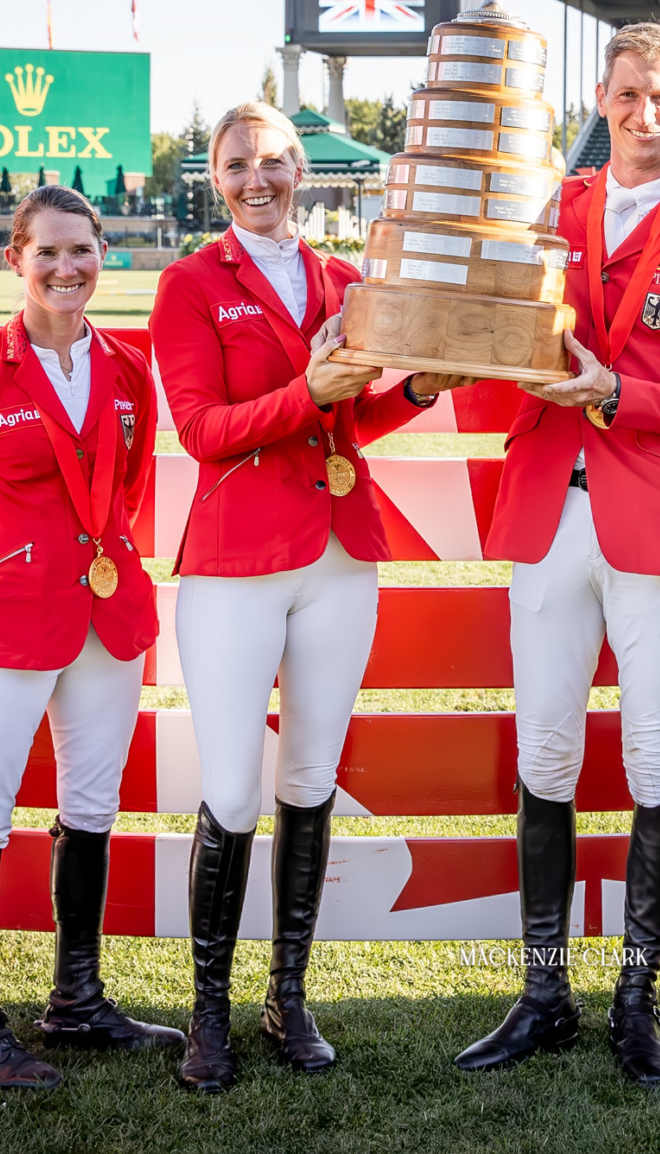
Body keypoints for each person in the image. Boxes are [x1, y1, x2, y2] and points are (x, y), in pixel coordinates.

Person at [457, 23, 660, 1087]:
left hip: (655, 521)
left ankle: (638, 998)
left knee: (651, 755)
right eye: (628, 93)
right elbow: (491, 348)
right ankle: (545, 992)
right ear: (601, 95)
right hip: (549, 508)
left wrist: (620, 394)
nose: (644, 113)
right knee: (543, 750)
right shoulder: (550, 206)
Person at [149, 102, 470, 1094]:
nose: (260, 179)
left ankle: (288, 1000)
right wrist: (315, 393)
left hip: (338, 554)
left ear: (301, 172)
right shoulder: (190, 284)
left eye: (276, 162)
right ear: (216, 178)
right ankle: (208, 1014)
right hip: (236, 562)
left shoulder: (341, 278)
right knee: (236, 791)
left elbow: (353, 420)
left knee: (311, 781)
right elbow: (203, 430)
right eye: (240, 164)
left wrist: (416, 390)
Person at [0, 184, 185, 1091]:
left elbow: (128, 489)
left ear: (105, 254)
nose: (68, 269)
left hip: (107, 618)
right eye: (48, 253)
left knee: (90, 808)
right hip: (0, 626)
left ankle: (77, 998)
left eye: (83, 251)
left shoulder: (130, 367)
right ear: (15, 262)